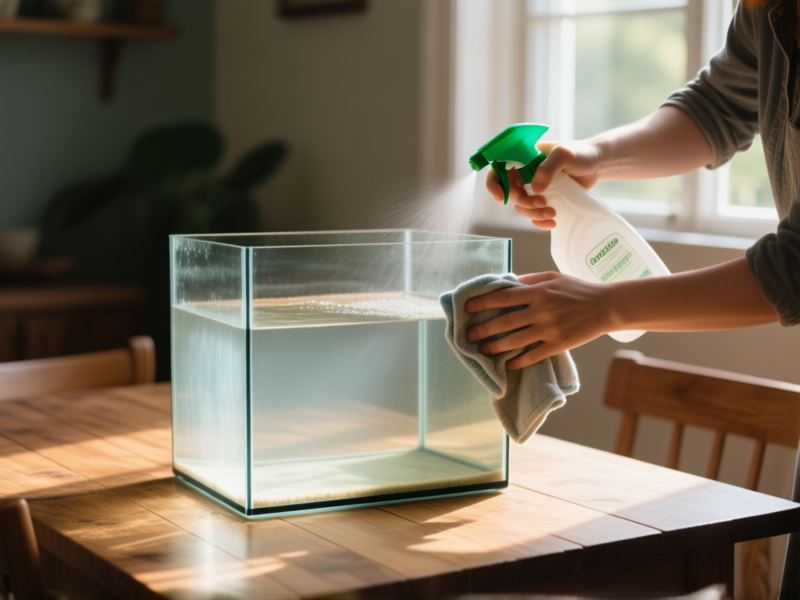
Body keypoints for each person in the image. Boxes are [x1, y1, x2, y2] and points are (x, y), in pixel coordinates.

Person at [467, 0, 799, 372]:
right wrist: (592, 154)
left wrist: (604, 307)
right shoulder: (767, 7)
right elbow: (717, 107)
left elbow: (794, 268)